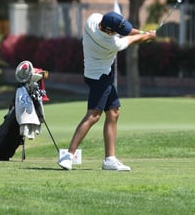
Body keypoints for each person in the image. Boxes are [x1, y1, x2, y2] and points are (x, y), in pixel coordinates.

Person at [58, 11, 156, 171]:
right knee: (93, 116)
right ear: (109, 31)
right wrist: (147, 36)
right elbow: (132, 39)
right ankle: (68, 156)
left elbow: (129, 32)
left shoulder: (93, 19)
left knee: (114, 112)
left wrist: (144, 33)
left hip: (99, 74)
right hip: (99, 77)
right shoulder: (112, 44)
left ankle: (109, 159)